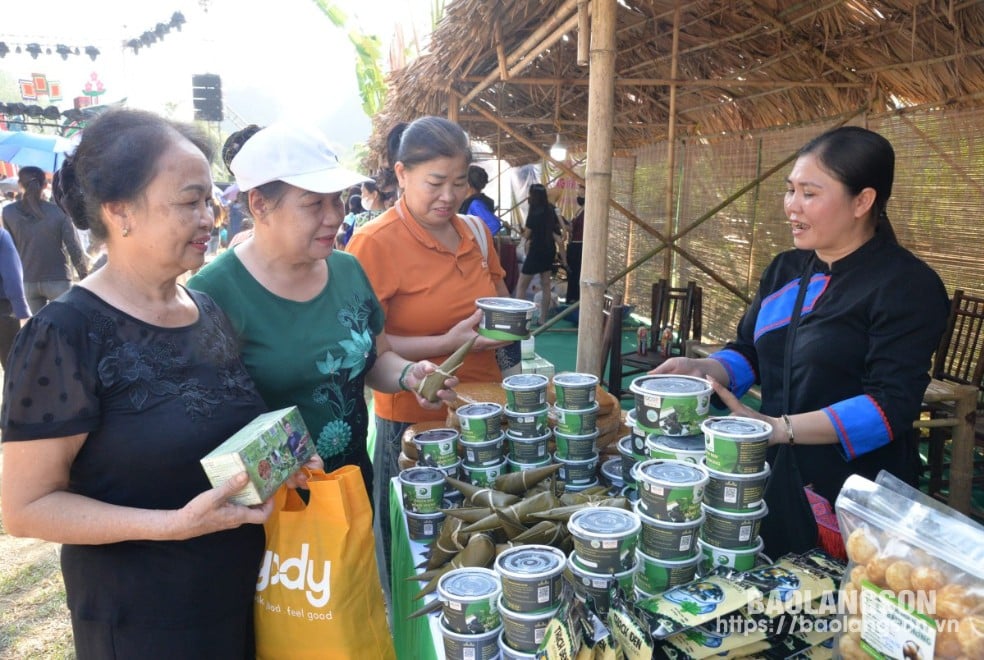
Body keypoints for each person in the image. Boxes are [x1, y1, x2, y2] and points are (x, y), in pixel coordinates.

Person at [0, 108, 320, 659]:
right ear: (119, 211)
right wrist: (170, 526)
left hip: (245, 595)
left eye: (209, 199)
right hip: (145, 621)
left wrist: (281, 460)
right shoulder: (67, 333)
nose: (211, 216)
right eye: (189, 201)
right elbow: (24, 507)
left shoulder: (207, 310)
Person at [653, 126, 948, 555]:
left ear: (862, 201)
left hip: (852, 490)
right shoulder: (785, 270)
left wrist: (781, 428)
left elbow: (891, 405)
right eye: (790, 190)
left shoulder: (907, 286)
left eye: (810, 193)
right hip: (769, 471)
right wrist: (706, 370)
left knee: (835, 609)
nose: (792, 206)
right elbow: (752, 350)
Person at [188, 121, 457, 504]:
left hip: (350, 485)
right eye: (314, 204)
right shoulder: (214, 293)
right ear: (260, 205)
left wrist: (408, 375)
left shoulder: (348, 270)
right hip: (271, 508)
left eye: (337, 199)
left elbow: (376, 358)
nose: (333, 216)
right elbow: (203, 422)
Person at [346, 116, 513, 595]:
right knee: (419, 546)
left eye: (459, 183)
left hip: (484, 408)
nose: (448, 196)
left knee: (480, 532)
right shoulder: (374, 244)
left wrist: (504, 330)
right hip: (413, 417)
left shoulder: (475, 232)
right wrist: (449, 342)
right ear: (400, 174)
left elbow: (500, 299)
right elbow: (366, 349)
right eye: (434, 183)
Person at [3, 165, 89, 313]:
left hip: (27, 280)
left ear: (19, 185)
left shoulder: (8, 212)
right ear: (45, 185)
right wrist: (84, 275)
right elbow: (73, 247)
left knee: (37, 330)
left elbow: (8, 251)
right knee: (64, 326)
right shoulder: (58, 211)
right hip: (59, 278)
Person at [514, 183, 564, 324]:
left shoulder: (534, 213)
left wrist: (522, 230)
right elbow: (557, 228)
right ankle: (542, 319)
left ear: (533, 196)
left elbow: (526, 234)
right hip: (549, 249)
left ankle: (521, 319)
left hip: (536, 251)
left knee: (522, 286)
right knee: (546, 285)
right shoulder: (550, 209)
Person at [0, 223, 30, 374]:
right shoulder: (1, 236)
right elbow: (12, 277)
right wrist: (23, 312)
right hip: (4, 310)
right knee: (12, 368)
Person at [459, 164, 501, 235]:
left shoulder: (475, 204)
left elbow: (494, 225)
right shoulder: (469, 202)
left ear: (468, 185)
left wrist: (476, 240)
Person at [565, 184, 585, 303]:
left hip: (580, 246)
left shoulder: (588, 211)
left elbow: (573, 229)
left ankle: (576, 298)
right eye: (578, 193)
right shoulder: (579, 210)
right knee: (572, 274)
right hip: (574, 245)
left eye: (582, 193)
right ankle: (572, 297)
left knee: (577, 273)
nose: (579, 195)